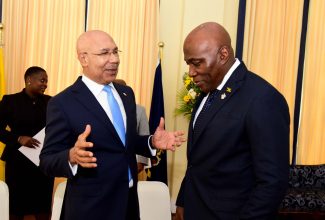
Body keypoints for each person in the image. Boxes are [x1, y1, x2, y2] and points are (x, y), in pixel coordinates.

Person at [39, 30, 185, 220]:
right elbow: (47, 160)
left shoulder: (126, 94)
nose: (114, 59)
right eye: (104, 53)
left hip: (128, 204)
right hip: (90, 209)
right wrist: (71, 156)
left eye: (116, 52)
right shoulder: (62, 103)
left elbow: (123, 144)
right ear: (84, 58)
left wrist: (151, 142)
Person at [175, 22, 290, 220]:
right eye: (188, 64)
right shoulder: (206, 94)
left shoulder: (262, 98)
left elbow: (272, 182)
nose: (191, 72)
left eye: (197, 63)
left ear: (223, 54)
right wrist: (183, 201)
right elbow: (198, 161)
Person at [0, 66, 54, 220]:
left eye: (46, 81)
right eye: (42, 80)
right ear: (29, 80)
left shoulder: (50, 102)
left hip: (42, 162)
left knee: (42, 206)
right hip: (18, 163)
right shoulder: (10, 101)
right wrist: (17, 138)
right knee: (16, 207)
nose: (45, 84)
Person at [114, 78, 151, 180]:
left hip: (131, 161)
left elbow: (144, 134)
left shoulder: (139, 110)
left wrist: (142, 162)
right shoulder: (105, 109)